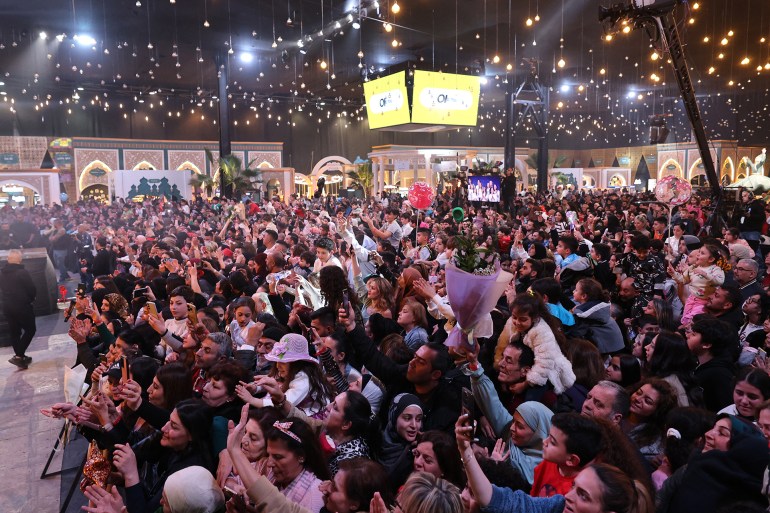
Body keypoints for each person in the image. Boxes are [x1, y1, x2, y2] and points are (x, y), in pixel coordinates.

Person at [456, 413, 653, 513]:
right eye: (575, 487)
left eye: (583, 496)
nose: (568, 495)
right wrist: (465, 450)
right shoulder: (558, 506)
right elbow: (495, 499)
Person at [494, 292, 576, 395]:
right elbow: (502, 345)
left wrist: (525, 384)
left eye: (523, 319)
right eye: (515, 317)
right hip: (527, 364)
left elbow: (544, 364)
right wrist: (500, 368)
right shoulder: (511, 322)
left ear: (534, 318)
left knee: (532, 395)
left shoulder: (542, 331)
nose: (517, 322)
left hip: (549, 371)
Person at [668, 244, 725, 325]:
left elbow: (719, 281)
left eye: (702, 253)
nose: (698, 255)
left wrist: (706, 275)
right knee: (685, 320)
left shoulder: (715, 269)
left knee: (693, 321)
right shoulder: (693, 267)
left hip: (704, 301)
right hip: (691, 299)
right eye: (699, 252)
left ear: (711, 259)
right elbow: (683, 280)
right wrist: (673, 273)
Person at [571, 278, 625, 354]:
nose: (573, 291)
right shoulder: (597, 305)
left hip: (608, 349)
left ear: (583, 296)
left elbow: (576, 333)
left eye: (576, 290)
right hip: (614, 345)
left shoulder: (587, 314)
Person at [2, 249, 36, 368]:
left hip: (7, 306)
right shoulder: (22, 272)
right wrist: (31, 299)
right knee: (31, 329)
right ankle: (19, 355)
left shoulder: (1, 272)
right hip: (22, 306)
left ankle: (20, 358)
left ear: (8, 260)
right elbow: (31, 289)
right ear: (20, 260)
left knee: (14, 332)